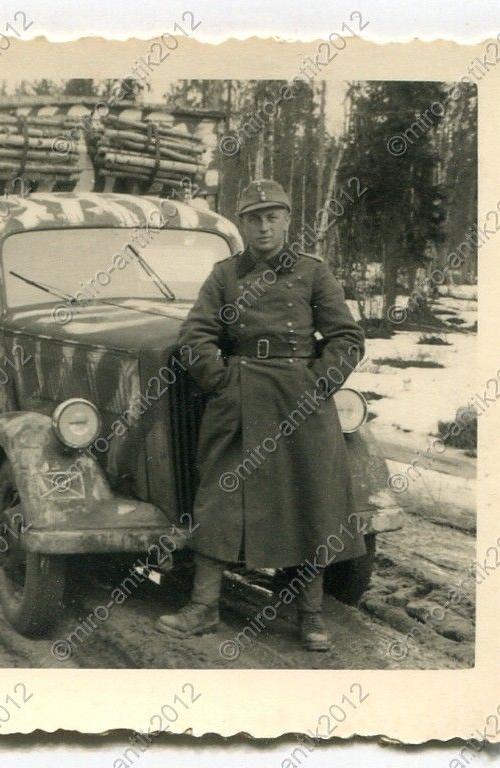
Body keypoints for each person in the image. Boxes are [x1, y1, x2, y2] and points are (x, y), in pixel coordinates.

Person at [156, 179, 366, 652]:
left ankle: (309, 615)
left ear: (288, 221)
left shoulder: (314, 274)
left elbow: (346, 338)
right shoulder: (226, 275)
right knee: (220, 498)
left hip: (302, 401)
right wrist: (223, 382)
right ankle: (203, 607)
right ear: (243, 224)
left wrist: (317, 383)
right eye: (254, 218)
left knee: (310, 501)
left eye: (273, 216)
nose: (264, 226)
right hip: (240, 398)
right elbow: (196, 335)